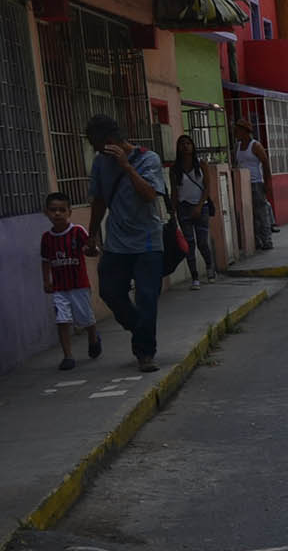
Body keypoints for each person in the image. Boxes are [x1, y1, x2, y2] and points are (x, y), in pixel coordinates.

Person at [85, 114, 166, 373]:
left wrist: (126, 167)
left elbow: (149, 194)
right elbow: (98, 200)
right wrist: (91, 233)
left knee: (146, 297)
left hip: (148, 244)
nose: (96, 151)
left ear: (110, 141)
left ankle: (145, 353)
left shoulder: (148, 159)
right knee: (109, 290)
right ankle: (139, 327)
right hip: (117, 243)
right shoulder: (100, 164)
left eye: (97, 145)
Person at [40, 191, 101, 371]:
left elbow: (93, 250)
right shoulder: (47, 238)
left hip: (79, 286)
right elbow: (45, 261)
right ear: (47, 212)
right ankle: (68, 356)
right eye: (53, 210)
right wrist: (46, 281)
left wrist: (92, 249)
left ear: (69, 212)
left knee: (86, 319)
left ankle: (93, 337)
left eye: (61, 210)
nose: (57, 214)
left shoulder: (77, 231)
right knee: (62, 320)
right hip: (59, 287)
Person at [169, 134, 216, 289]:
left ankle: (210, 267)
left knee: (202, 242)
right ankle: (195, 277)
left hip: (201, 207)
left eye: (188, 143)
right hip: (183, 208)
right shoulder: (174, 169)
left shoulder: (201, 165)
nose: (185, 146)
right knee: (189, 244)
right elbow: (175, 193)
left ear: (193, 146)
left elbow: (207, 187)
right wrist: (173, 212)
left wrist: (200, 205)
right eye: (182, 143)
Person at [232, 119, 275, 251]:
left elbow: (266, 164)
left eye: (238, 130)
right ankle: (256, 241)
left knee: (261, 213)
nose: (235, 133)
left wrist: (267, 183)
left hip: (256, 183)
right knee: (248, 214)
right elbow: (236, 163)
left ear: (245, 131)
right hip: (242, 184)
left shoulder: (255, 146)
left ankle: (267, 240)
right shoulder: (237, 146)